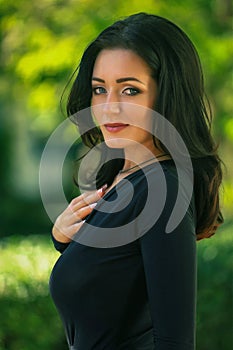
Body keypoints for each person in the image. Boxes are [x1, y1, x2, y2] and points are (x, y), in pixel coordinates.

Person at [49, 13, 223, 349]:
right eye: (100, 89)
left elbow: (174, 341)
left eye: (130, 89)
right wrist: (64, 241)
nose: (109, 107)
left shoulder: (163, 190)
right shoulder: (120, 177)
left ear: (167, 94)